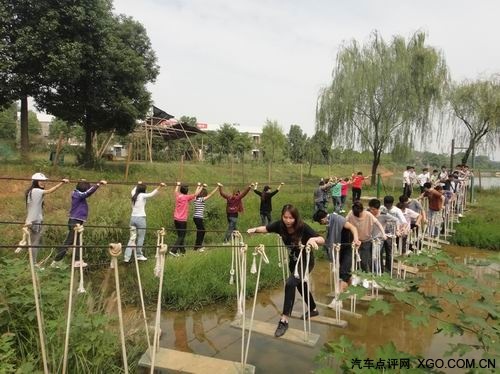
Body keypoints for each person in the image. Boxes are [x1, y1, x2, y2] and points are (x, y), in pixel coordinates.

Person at [247, 204, 325, 338]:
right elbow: (266, 228)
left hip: (305, 261)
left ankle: (284, 320)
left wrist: (313, 239)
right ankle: (313, 309)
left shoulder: (302, 227)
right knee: (300, 286)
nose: (288, 221)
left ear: (296, 218)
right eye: (285, 217)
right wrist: (253, 230)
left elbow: (322, 239)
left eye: (291, 218)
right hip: (293, 262)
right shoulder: (280, 226)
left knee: (290, 284)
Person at [51, 179, 107, 268]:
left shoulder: (78, 194)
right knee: (68, 242)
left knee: (77, 242)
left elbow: (87, 192)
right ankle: (56, 261)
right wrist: (98, 184)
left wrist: (96, 185)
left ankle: (77, 261)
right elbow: (86, 193)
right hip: (74, 222)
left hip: (78, 222)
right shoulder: (77, 194)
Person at [24, 173, 69, 268]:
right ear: (35, 182)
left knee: (36, 242)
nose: (43, 183)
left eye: (44, 181)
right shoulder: (36, 190)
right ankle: (33, 264)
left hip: (33, 220)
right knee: (34, 244)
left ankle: (32, 262)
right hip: (34, 221)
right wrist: (62, 183)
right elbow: (50, 191)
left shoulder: (32, 191)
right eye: (40, 181)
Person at [312, 209, 360, 293]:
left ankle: (338, 299)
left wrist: (356, 239)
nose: (321, 224)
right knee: (344, 273)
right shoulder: (330, 223)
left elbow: (353, 227)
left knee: (343, 272)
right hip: (340, 249)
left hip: (348, 248)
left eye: (320, 222)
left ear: (322, 220)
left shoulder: (338, 219)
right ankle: (347, 291)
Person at [123, 181, 165, 263]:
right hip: (140, 219)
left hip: (132, 219)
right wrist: (160, 186)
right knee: (140, 237)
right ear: (143, 190)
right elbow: (152, 194)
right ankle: (139, 255)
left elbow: (133, 190)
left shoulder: (134, 195)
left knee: (132, 238)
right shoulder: (142, 195)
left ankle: (126, 257)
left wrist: (138, 184)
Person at [345, 201, 386, 272]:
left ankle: (366, 276)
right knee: (354, 260)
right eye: (356, 215)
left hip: (366, 241)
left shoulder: (368, 214)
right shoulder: (351, 214)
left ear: (362, 210)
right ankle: (355, 275)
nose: (357, 216)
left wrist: (383, 234)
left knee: (364, 261)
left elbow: (378, 224)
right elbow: (344, 222)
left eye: (359, 214)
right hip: (355, 241)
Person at [171, 182, 203, 256]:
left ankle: (183, 252)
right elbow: (196, 194)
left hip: (176, 219)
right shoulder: (186, 197)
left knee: (180, 236)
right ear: (187, 191)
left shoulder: (178, 195)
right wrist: (200, 186)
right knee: (181, 236)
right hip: (182, 220)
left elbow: (175, 191)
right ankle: (173, 250)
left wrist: (178, 184)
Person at [192, 184, 219, 251]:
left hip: (195, 217)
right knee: (202, 231)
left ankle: (196, 247)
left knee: (200, 231)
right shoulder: (201, 199)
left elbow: (195, 193)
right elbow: (211, 194)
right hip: (198, 218)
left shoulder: (195, 198)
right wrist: (217, 187)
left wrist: (198, 186)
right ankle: (199, 246)